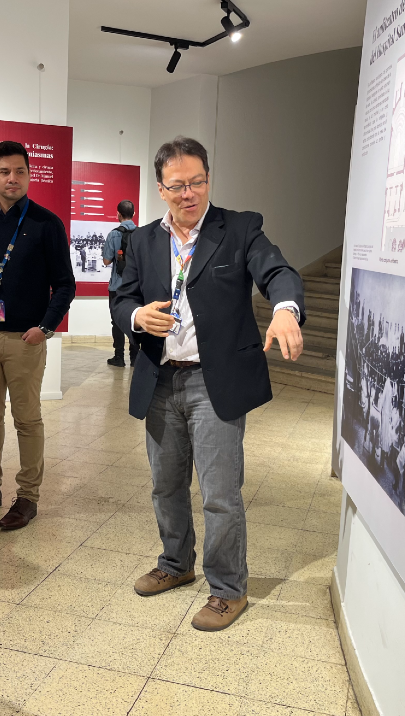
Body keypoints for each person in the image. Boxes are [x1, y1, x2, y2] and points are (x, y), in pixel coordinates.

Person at [113, 136, 305, 632]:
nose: (189, 193)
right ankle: (176, 564)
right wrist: (136, 316)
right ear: (160, 189)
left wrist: (285, 309)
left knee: (219, 493)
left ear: (208, 180)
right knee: (165, 485)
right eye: (178, 185)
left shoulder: (238, 228)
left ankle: (228, 589)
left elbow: (277, 271)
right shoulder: (143, 241)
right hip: (160, 380)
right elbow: (120, 298)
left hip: (212, 382)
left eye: (197, 182)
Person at [0, 140, 75, 529]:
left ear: (29, 175)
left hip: (25, 339)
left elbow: (65, 284)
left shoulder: (46, 223)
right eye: (4, 171)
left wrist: (45, 327)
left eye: (20, 171)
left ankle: (27, 497)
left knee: (27, 419)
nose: (12, 178)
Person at [103, 199, 138, 367]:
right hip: (136, 287)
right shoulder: (141, 234)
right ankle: (135, 358)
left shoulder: (113, 234)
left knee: (116, 322)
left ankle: (119, 357)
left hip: (117, 286)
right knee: (135, 320)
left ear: (118, 214)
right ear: (134, 214)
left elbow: (106, 261)